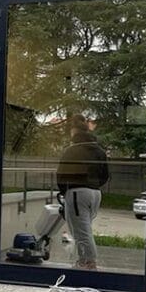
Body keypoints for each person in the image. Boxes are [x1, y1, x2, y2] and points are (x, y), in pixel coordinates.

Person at [55, 114, 109, 271]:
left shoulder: (72, 150)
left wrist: (64, 191)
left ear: (74, 131)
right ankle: (84, 260)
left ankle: (88, 263)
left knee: (81, 231)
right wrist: (95, 185)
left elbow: (61, 174)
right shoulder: (99, 150)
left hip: (78, 192)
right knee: (84, 228)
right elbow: (105, 175)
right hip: (95, 193)